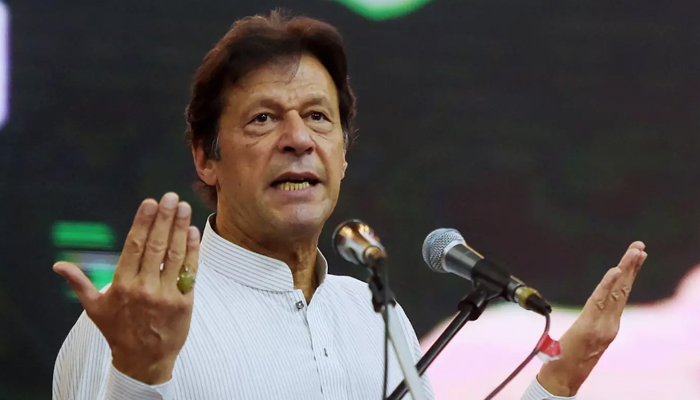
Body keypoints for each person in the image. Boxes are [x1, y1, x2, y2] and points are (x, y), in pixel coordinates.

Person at [52, 11, 648, 400]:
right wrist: (139, 376)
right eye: (264, 119)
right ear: (206, 158)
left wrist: (560, 377)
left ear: (341, 156)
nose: (298, 138)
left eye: (318, 117)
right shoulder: (130, 326)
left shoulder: (373, 315)